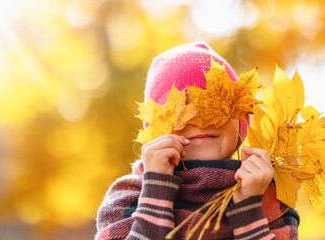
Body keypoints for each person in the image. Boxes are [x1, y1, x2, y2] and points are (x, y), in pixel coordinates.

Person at [95, 42, 299, 240]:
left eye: (216, 105)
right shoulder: (128, 198)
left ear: (240, 119)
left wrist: (249, 210)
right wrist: (156, 191)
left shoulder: (269, 198)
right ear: (156, 127)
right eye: (183, 109)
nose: (202, 121)